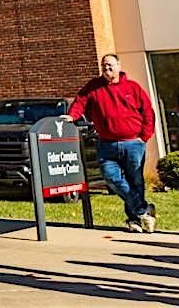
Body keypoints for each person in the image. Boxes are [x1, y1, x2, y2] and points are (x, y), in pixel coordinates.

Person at [65, 54, 156, 233]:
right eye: (104, 66)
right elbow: (80, 102)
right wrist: (71, 116)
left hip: (133, 143)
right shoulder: (94, 87)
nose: (107, 69)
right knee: (111, 178)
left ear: (119, 66)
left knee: (135, 181)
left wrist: (144, 137)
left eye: (110, 66)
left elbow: (147, 112)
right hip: (107, 144)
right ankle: (143, 210)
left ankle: (134, 220)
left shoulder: (133, 87)